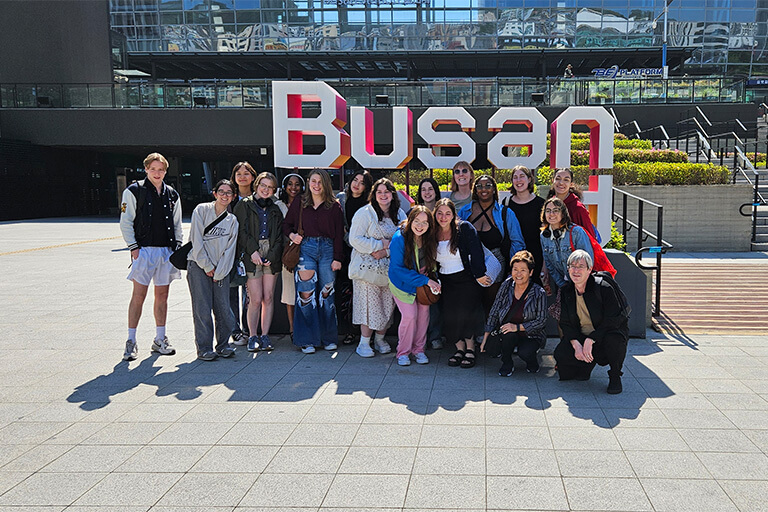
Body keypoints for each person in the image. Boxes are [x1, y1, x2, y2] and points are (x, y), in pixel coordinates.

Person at [119, 152, 183, 361]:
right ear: (146, 169)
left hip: (166, 250)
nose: (157, 173)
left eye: (161, 169)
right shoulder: (133, 191)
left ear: (166, 171)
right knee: (139, 295)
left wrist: (177, 247)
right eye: (153, 169)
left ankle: (160, 338)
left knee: (162, 296)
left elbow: (176, 224)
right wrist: (133, 247)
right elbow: (126, 221)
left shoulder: (172, 194)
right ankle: (131, 340)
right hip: (144, 249)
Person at [283, 169, 345, 353]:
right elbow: (286, 225)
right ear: (308, 182)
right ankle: (307, 340)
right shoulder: (300, 202)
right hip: (306, 249)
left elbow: (339, 235)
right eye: (313, 181)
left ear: (326, 184)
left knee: (327, 295)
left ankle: (328, 338)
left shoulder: (334, 206)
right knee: (306, 295)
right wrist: (293, 235)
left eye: (320, 182)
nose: (316, 185)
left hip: (327, 249)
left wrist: (337, 258)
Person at [554, 249, 629, 394]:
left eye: (580, 266)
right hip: (582, 335)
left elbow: (613, 319)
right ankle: (586, 365)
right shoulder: (566, 291)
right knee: (561, 356)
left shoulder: (603, 288)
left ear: (589, 270)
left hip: (606, 333)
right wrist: (576, 344)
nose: (576, 270)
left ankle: (615, 375)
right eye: (572, 266)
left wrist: (591, 339)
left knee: (615, 341)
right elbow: (565, 322)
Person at [349, 178, 406, 358]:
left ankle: (380, 340)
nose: (383, 195)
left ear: (392, 194)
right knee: (368, 304)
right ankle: (364, 342)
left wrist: (385, 252)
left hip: (390, 269)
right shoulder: (364, 213)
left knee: (387, 306)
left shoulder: (400, 214)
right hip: (367, 269)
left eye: (386, 192)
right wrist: (378, 245)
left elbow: (406, 241)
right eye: (379, 192)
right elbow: (355, 239)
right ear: (374, 194)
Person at [434, 198, 491, 368]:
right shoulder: (432, 232)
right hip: (446, 281)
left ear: (453, 215)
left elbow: (476, 251)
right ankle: (459, 349)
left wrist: (479, 274)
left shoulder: (464, 228)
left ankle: (470, 349)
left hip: (466, 280)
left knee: (467, 314)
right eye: (440, 213)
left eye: (447, 213)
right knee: (451, 316)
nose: (443, 217)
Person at [187, 179, 239, 361]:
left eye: (229, 193)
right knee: (202, 308)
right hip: (198, 266)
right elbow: (196, 241)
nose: (225, 195)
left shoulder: (232, 220)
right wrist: (207, 266)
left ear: (233, 197)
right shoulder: (201, 210)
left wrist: (219, 272)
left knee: (223, 308)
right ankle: (204, 348)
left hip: (221, 270)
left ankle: (224, 345)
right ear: (215, 193)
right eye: (221, 192)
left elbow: (230, 249)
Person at [458, 174, 525, 311]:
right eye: (480, 186)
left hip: (495, 261)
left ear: (494, 189)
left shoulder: (505, 213)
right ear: (475, 190)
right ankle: (473, 332)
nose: (484, 189)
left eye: (488, 186)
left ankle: (490, 331)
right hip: (470, 262)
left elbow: (517, 243)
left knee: (492, 302)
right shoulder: (465, 212)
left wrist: (514, 269)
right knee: (470, 300)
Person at [233, 172, 284, 352]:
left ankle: (265, 336)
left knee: (268, 297)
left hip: (270, 254)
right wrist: (252, 251)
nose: (266, 189)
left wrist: (272, 254)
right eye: (263, 185)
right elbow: (241, 231)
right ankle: (252, 335)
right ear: (257, 185)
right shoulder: (244, 205)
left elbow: (279, 236)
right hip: (251, 253)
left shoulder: (276, 209)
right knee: (255, 299)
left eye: (270, 187)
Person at [480, 250, 547, 376]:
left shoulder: (539, 292)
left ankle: (532, 361)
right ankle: (507, 363)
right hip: (508, 331)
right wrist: (485, 338)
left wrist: (516, 327)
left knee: (525, 352)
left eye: (523, 270)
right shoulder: (507, 285)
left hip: (531, 334)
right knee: (507, 333)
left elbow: (541, 321)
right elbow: (495, 310)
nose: (518, 274)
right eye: (515, 269)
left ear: (530, 272)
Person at [389, 206, 441, 366]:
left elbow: (431, 262)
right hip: (403, 284)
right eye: (417, 221)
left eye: (425, 222)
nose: (420, 226)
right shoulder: (399, 238)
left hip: (423, 283)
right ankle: (403, 352)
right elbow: (397, 269)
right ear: (410, 221)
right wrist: (425, 281)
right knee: (410, 315)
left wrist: (433, 279)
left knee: (424, 314)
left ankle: (419, 350)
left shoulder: (429, 237)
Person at [336, 170, 373, 344]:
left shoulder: (370, 203)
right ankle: (349, 330)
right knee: (347, 292)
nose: (356, 184)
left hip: (364, 253)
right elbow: (339, 226)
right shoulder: (342, 198)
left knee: (365, 292)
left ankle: (366, 332)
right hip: (345, 253)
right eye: (355, 180)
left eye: (362, 182)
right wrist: (348, 239)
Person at [228, 161, 257, 346]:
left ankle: (248, 328)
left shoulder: (259, 198)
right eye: (238, 173)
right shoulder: (228, 198)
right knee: (231, 292)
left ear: (253, 176)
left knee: (250, 294)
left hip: (250, 253)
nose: (242, 176)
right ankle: (234, 330)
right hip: (229, 253)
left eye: (246, 173)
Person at [503, 165, 546, 284]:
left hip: (536, 257)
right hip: (513, 258)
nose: (518, 180)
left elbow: (545, 235)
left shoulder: (541, 204)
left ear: (529, 179)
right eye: (515, 177)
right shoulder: (506, 203)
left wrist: (544, 265)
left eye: (522, 176)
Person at [540, 197, 593, 292]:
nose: (551, 214)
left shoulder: (576, 232)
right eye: (548, 211)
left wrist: (579, 285)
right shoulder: (544, 236)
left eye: (555, 210)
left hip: (583, 285)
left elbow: (588, 261)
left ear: (563, 214)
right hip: (563, 287)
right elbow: (549, 263)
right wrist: (563, 285)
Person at [415, 176, 444, 350]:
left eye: (430, 189)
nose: (427, 192)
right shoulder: (415, 212)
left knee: (437, 301)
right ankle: (422, 337)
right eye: (423, 189)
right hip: (422, 262)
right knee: (425, 299)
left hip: (442, 261)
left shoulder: (442, 211)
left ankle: (436, 335)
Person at [276, 173, 304, 341]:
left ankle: (303, 327)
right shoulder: (277, 205)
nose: (293, 187)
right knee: (289, 292)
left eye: (297, 184)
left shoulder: (306, 203)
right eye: (290, 184)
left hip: (304, 250)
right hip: (287, 253)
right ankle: (292, 328)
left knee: (305, 292)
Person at [548, 168, 598, 239]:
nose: (561, 182)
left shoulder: (578, 208)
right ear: (553, 181)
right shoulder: (549, 204)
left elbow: (590, 237)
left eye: (566, 180)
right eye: (558, 178)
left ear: (571, 184)